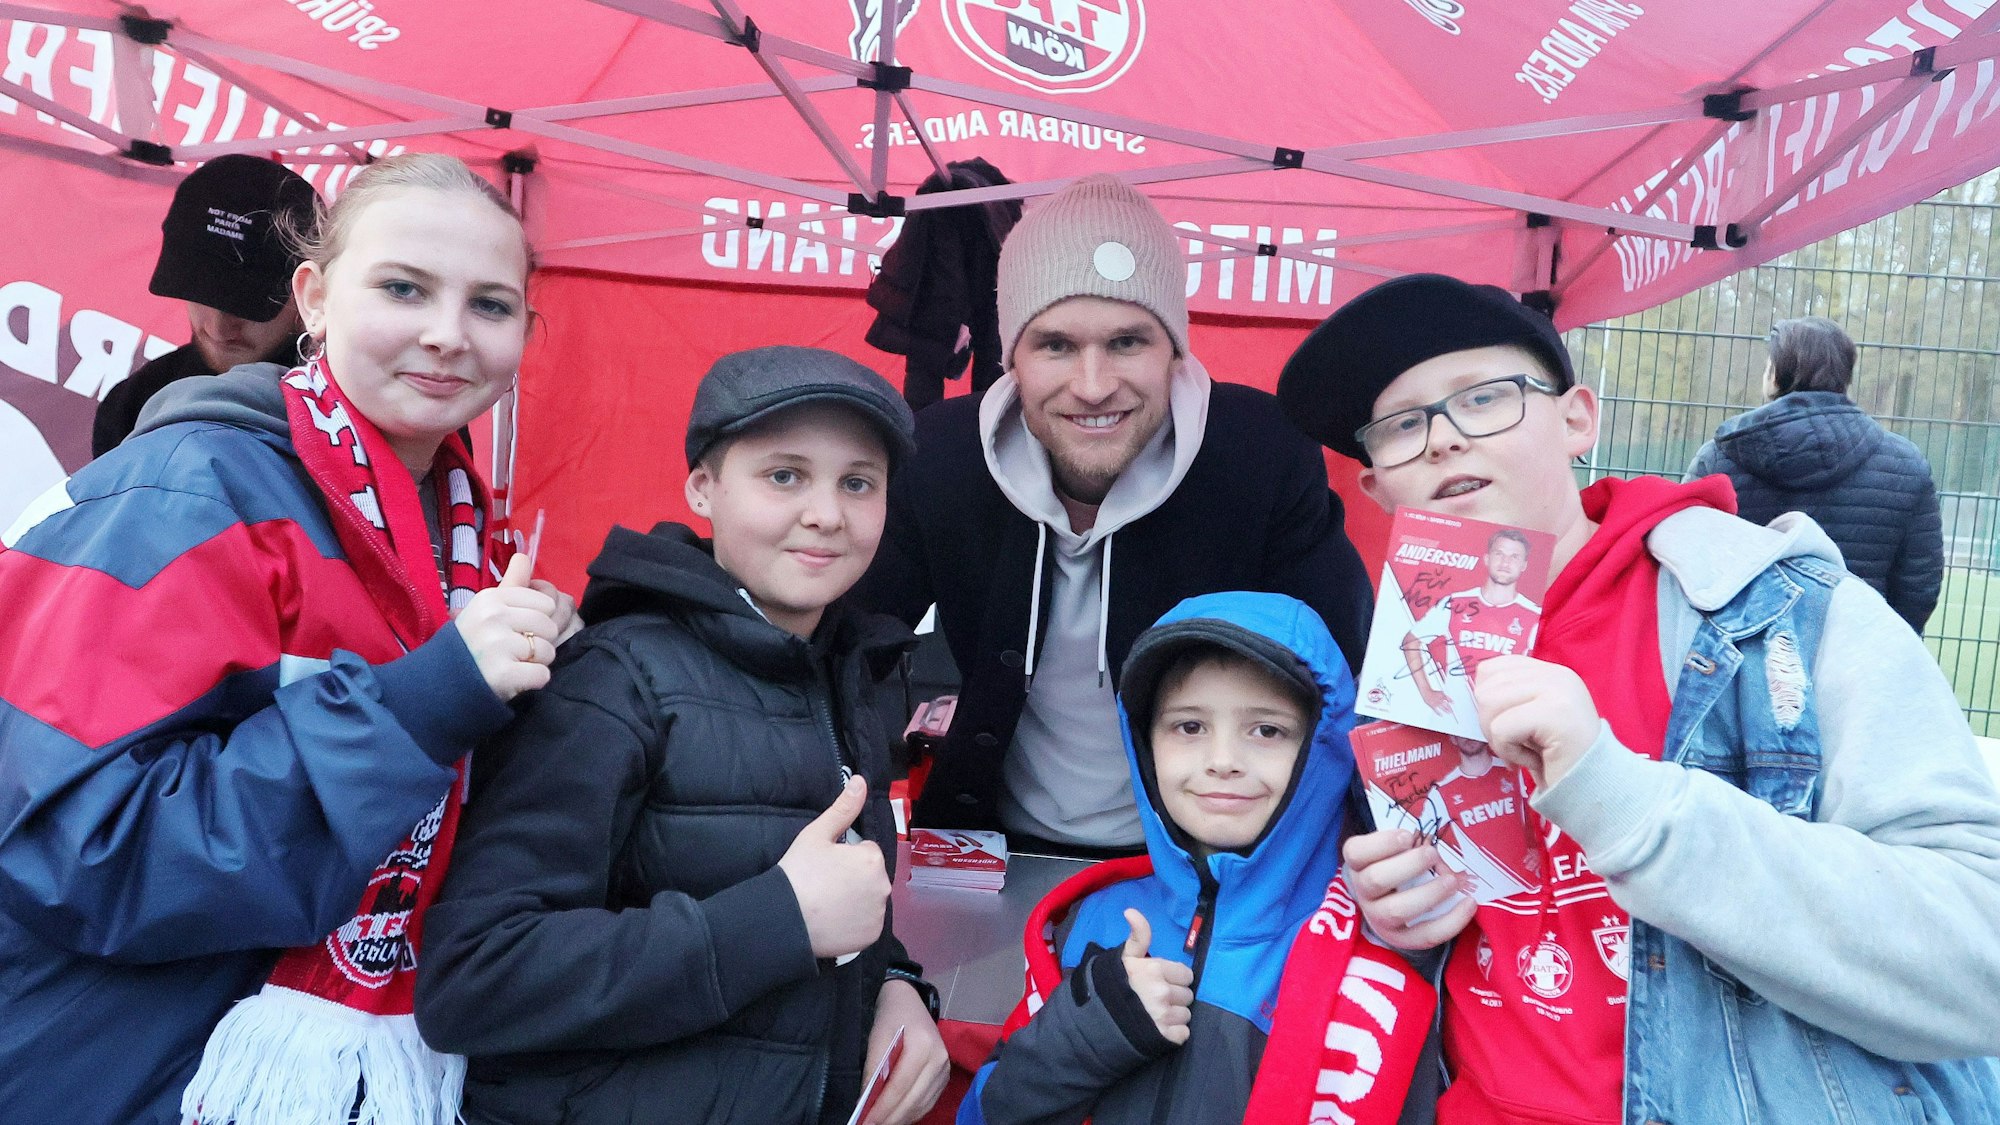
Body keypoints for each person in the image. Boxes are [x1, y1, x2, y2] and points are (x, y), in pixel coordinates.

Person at [1277, 273, 2000, 1124]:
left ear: (1577, 419)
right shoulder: (1404, 669)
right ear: (1376, 488)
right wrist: (1403, 917)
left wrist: (1624, 800)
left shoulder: (1784, 615)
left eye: (1483, 397)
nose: (1442, 439)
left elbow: (1977, 958)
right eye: (1402, 426)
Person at [0, 152, 574, 1125]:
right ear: (313, 297)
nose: (447, 333)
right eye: (403, 288)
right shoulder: (183, 488)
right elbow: (81, 852)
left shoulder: (469, 538)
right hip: (123, 1076)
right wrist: (425, 701)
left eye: (490, 304)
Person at [414, 346, 949, 1125]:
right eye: (785, 475)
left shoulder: (844, 671)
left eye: (858, 483)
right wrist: (781, 920)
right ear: (702, 487)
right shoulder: (613, 680)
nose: (827, 513)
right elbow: (474, 978)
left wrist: (896, 984)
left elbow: (828, 897)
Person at [856, 173, 1374, 853]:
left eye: (1128, 341)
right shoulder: (943, 454)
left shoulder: (1262, 451)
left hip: (1204, 859)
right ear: (1012, 357)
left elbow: (1344, 676)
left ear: (1175, 349)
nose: (1094, 385)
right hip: (990, 845)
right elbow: (845, 644)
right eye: (1056, 345)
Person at [958, 591, 1431, 1125]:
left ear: (1325, 749)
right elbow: (981, 1115)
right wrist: (1086, 1036)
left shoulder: (1393, 939)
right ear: (1144, 744)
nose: (1223, 761)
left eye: (1267, 730)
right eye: (1189, 727)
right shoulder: (1092, 920)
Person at [1686, 316, 1944, 632]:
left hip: (1738, 647)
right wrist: (1880, 643)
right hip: (1858, 646)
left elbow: (1686, 558)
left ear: (1775, 375)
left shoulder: (1719, 458)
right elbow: (1919, 584)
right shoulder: (1906, 465)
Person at [92, 154, 319, 457]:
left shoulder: (338, 417)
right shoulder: (132, 403)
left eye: (247, 303)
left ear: (310, 292)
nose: (218, 328)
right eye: (202, 293)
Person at [1401, 528, 1541, 722]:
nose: (1505, 562)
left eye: (1514, 557)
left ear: (1524, 565)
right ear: (1487, 559)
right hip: (1451, 718)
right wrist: (1426, 693)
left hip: (1499, 722)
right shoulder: (1455, 602)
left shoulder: (1534, 615)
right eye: (1499, 554)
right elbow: (1411, 641)